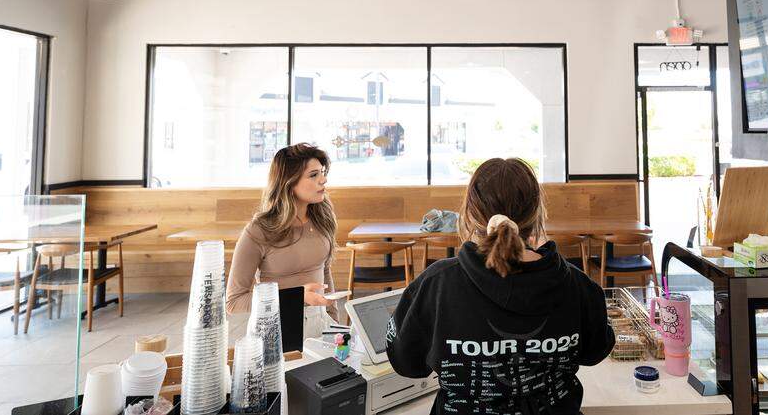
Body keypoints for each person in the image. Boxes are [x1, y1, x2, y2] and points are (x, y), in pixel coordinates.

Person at [387, 158, 614, 415]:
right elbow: (596, 351)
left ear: (470, 215)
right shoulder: (577, 284)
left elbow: (407, 363)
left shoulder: (437, 283)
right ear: (537, 214)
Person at [227, 143, 338, 317]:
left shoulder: (323, 218)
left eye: (322, 173)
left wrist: (334, 324)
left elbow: (325, 272)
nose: (323, 180)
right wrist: (298, 297)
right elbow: (234, 302)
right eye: (313, 175)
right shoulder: (258, 231)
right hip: (277, 332)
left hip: (320, 329)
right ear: (289, 182)